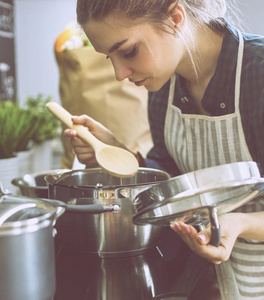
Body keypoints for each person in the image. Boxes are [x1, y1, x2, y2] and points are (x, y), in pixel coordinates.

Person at [64, 0, 264, 298]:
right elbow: (175, 181)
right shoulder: (163, 88)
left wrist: (239, 223)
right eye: (110, 58)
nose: (120, 73)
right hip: (210, 282)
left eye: (128, 51)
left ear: (175, 18)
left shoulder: (257, 74)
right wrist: (120, 153)